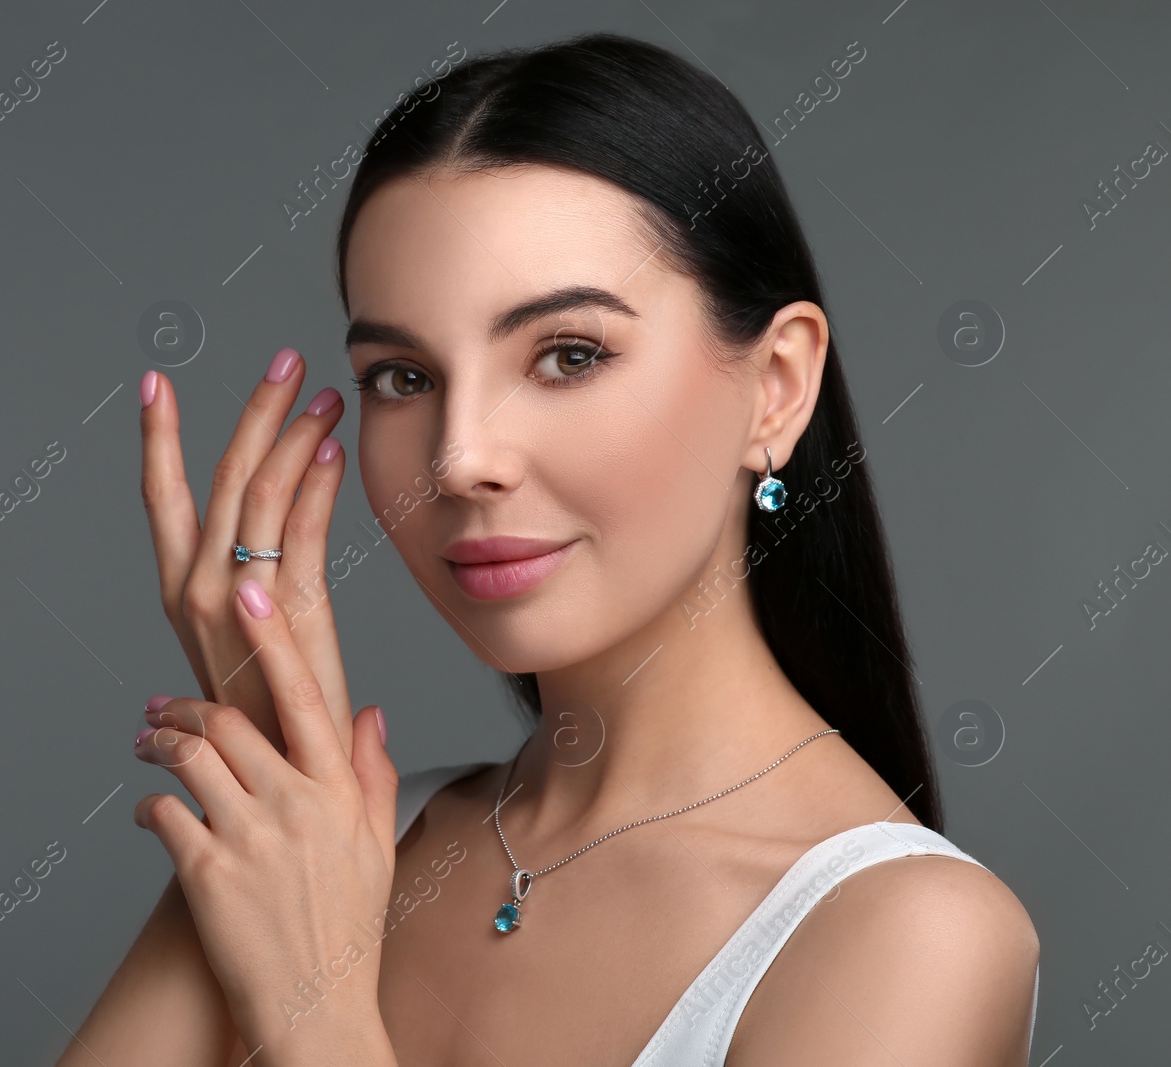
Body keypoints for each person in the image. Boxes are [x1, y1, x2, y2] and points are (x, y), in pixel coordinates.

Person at [58, 30, 1040, 1067]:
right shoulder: (329, 843)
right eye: (402, 375)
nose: (462, 455)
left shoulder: (911, 935)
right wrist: (265, 782)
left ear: (777, 386)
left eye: (568, 355)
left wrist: (315, 1015)